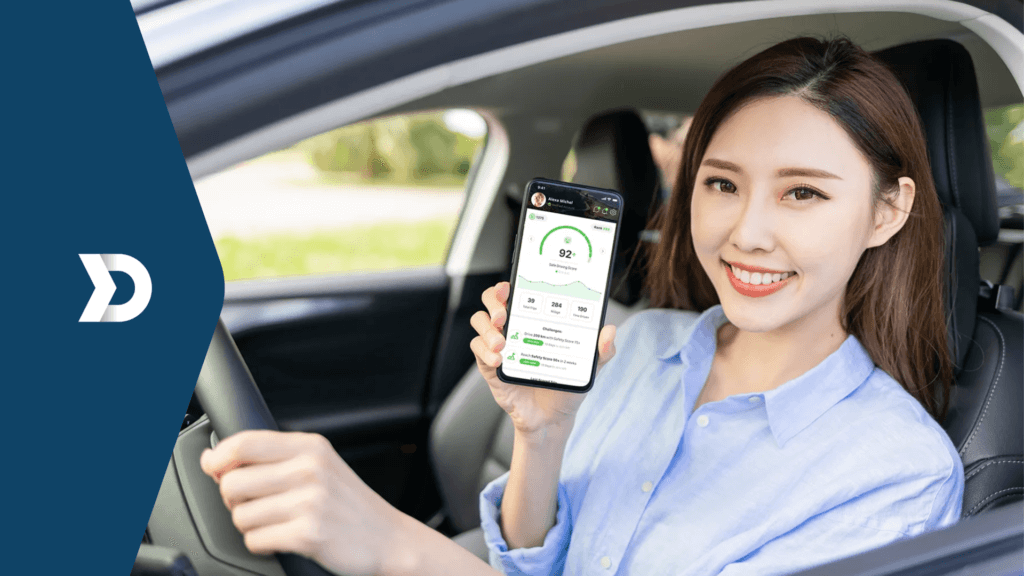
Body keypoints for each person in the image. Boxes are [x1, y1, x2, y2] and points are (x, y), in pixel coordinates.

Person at [198, 36, 963, 576]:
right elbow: (538, 560)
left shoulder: (896, 476)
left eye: (803, 193)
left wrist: (393, 546)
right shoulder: (642, 340)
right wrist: (543, 432)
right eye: (722, 184)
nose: (746, 234)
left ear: (886, 212)